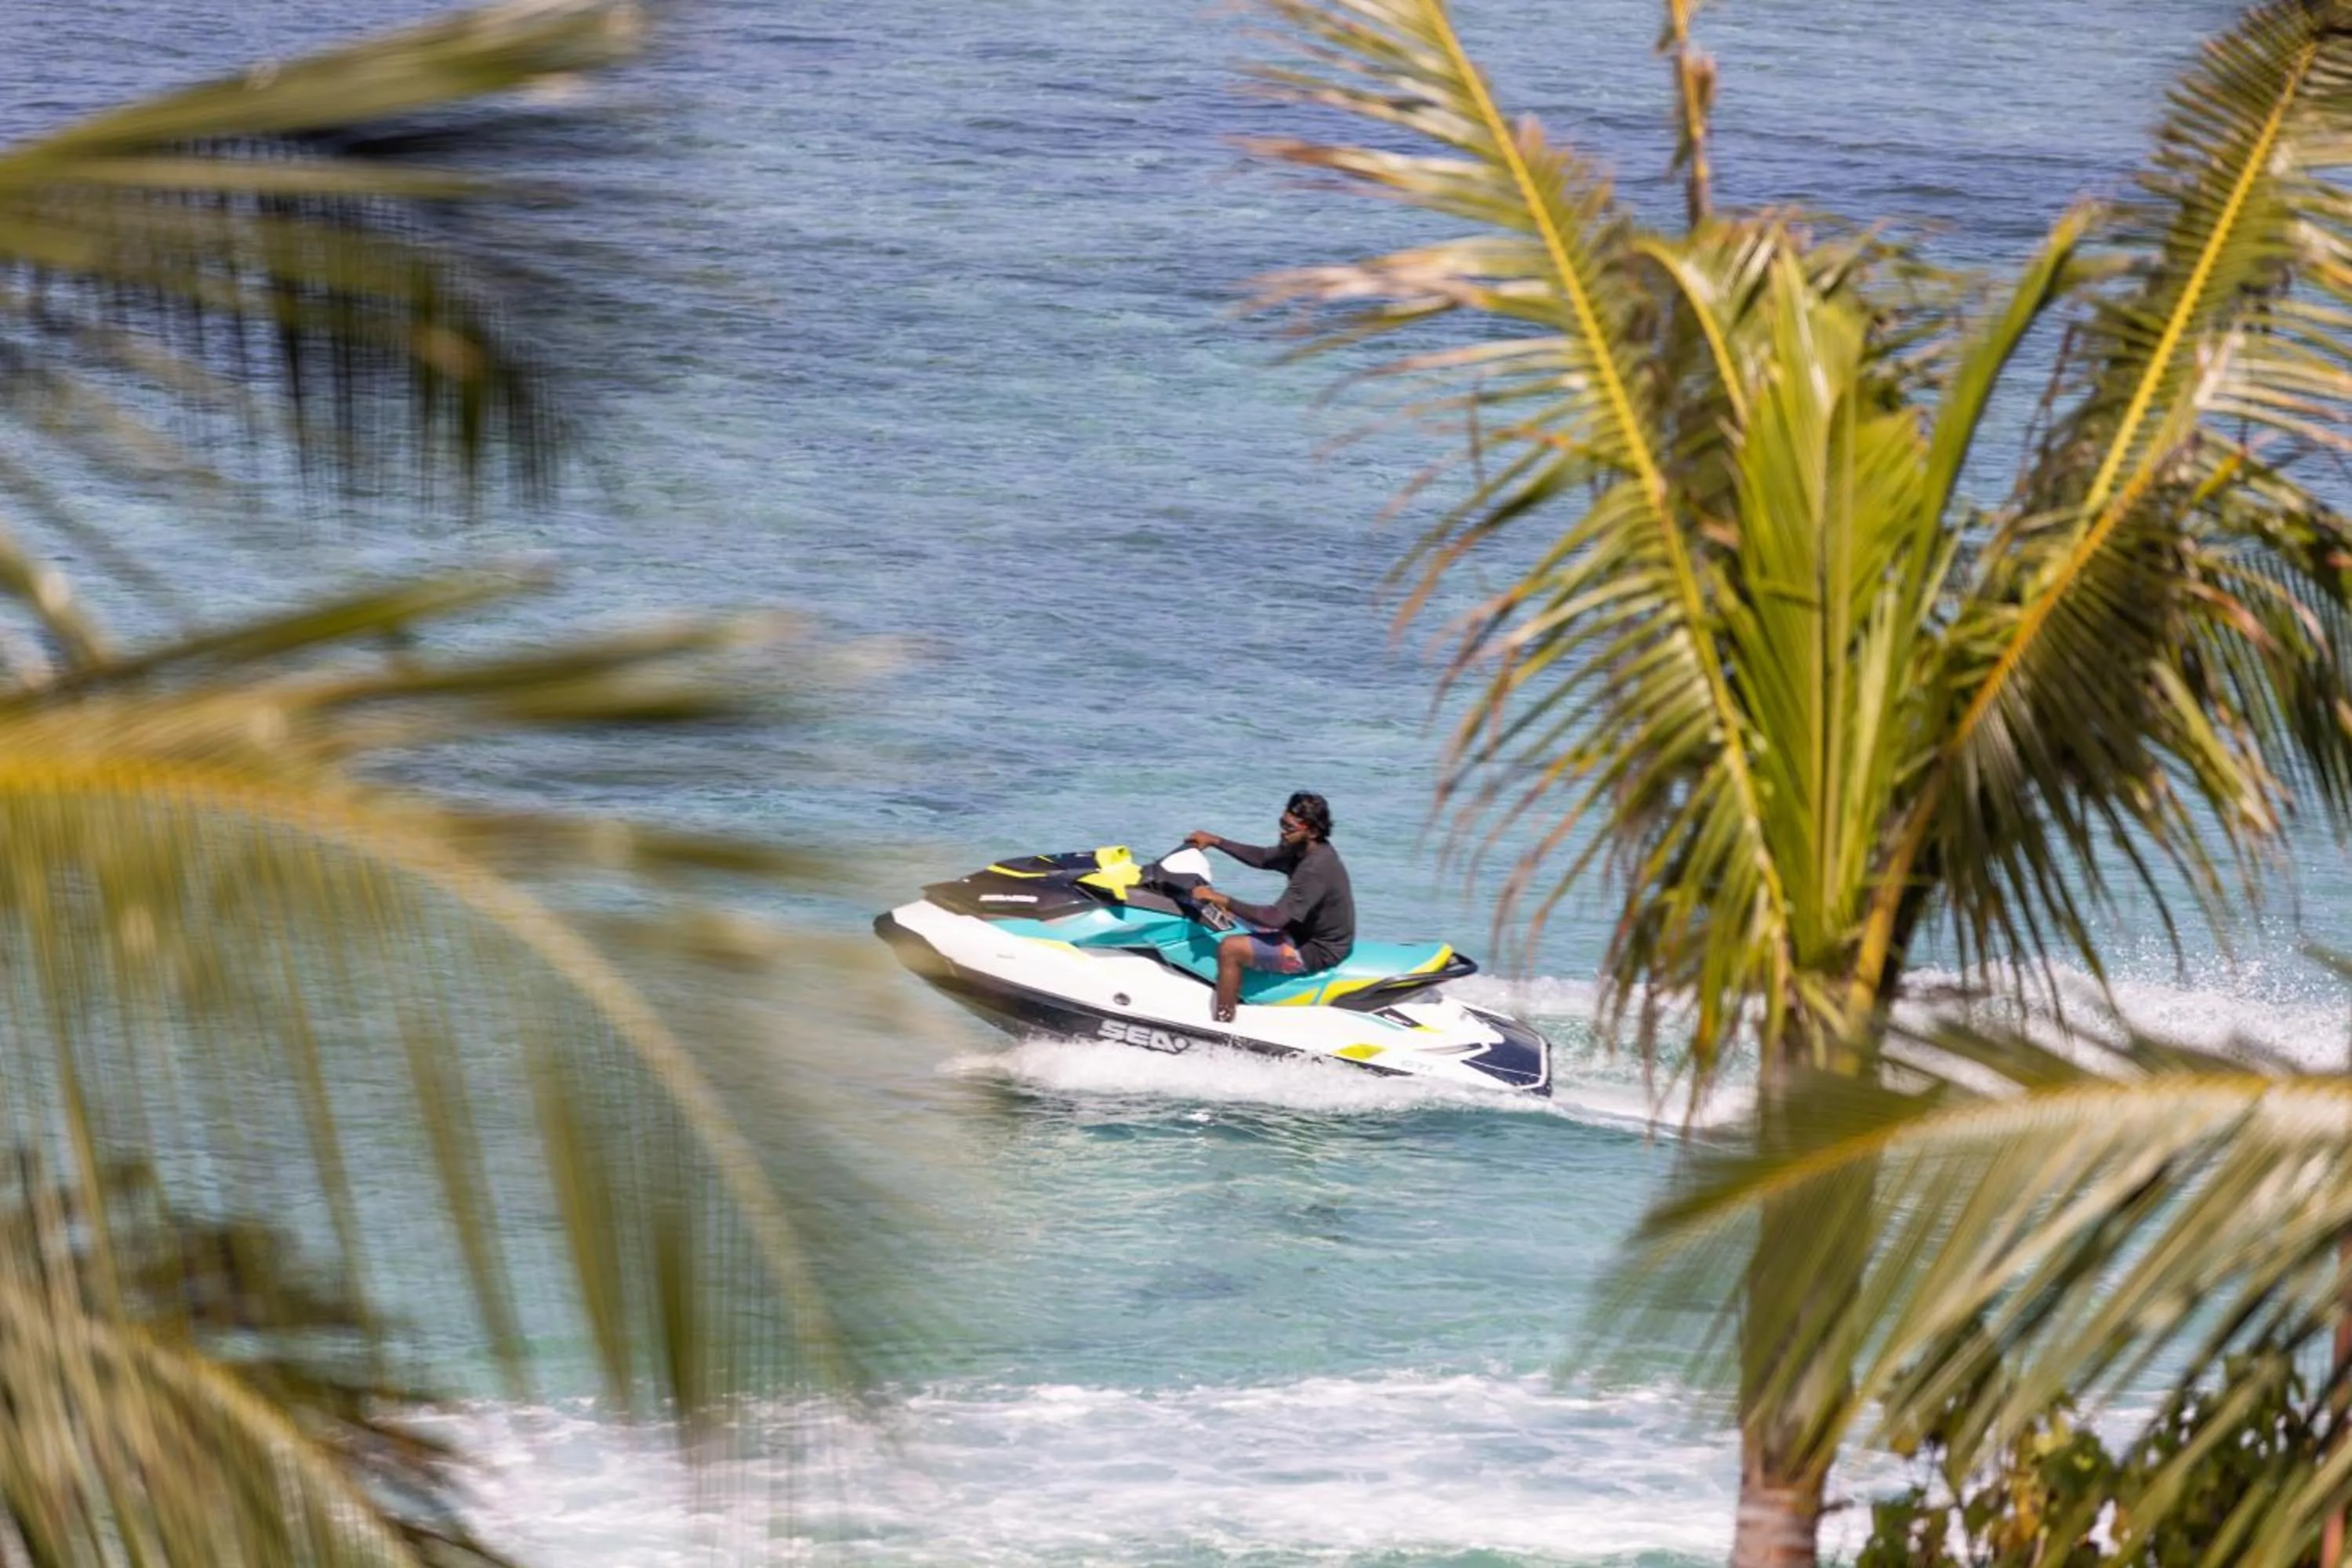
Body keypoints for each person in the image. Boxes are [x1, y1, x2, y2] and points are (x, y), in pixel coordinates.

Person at [1184, 792, 1355, 1024]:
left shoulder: (1315, 867)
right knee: (1226, 915)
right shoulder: (1299, 848)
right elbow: (1263, 857)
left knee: (1229, 948)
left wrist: (1221, 899)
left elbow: (1275, 919)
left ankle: (1223, 1026)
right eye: (1282, 823)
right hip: (1301, 929)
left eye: (1289, 827)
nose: (1282, 832)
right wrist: (1215, 841)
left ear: (1312, 831)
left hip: (1317, 949)